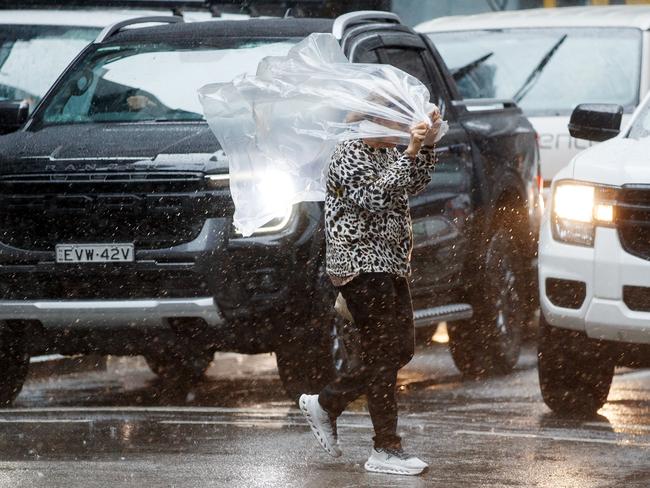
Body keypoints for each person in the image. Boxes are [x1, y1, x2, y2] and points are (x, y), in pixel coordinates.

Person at [299, 106, 443, 476]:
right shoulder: (347, 155)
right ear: (373, 123)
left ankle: (328, 403)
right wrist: (411, 151)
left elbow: (413, 183)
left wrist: (425, 147)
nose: (402, 127)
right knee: (383, 352)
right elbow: (375, 199)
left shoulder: (383, 152)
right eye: (396, 122)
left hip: (390, 264)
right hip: (361, 266)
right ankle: (385, 447)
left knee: (399, 350)